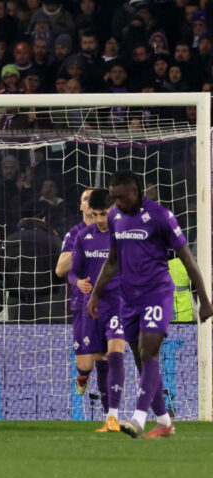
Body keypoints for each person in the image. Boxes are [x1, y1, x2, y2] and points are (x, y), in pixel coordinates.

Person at [88, 170, 213, 438]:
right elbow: (113, 261)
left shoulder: (160, 216)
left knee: (148, 353)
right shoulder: (115, 218)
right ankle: (165, 422)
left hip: (157, 293)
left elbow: (187, 258)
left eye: (121, 197)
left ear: (136, 191)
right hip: (128, 299)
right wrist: (95, 293)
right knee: (140, 358)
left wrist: (204, 299)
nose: (117, 203)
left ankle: (138, 418)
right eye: (114, 198)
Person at [68, 189, 125, 433]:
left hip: (118, 305)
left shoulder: (124, 236)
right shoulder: (83, 236)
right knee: (89, 364)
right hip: (90, 307)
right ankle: (82, 375)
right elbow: (72, 272)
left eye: (105, 213)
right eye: (96, 214)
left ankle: (111, 417)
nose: (101, 219)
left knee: (113, 356)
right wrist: (77, 283)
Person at [55, 188, 94, 392]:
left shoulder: (113, 230)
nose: (89, 202)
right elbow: (60, 270)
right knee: (85, 363)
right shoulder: (74, 233)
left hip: (110, 300)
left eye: (93, 199)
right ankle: (83, 375)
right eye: (85, 199)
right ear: (80, 206)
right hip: (82, 301)